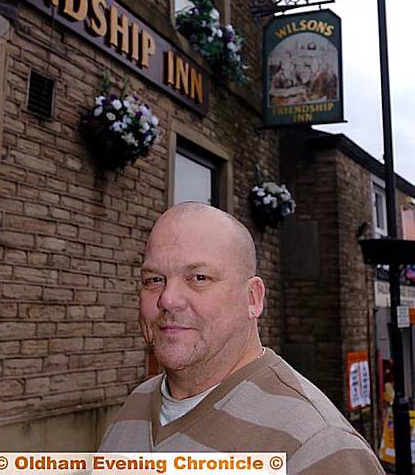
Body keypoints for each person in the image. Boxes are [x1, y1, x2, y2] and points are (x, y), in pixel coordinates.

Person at [100, 203, 385, 474]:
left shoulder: (317, 446)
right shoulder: (138, 403)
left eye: (198, 278)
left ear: (253, 298)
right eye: (154, 280)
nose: (168, 299)